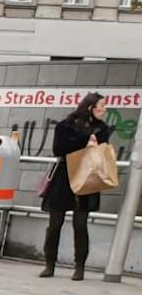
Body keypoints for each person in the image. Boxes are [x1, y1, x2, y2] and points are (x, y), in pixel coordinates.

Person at [41, 92, 112, 281]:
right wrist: (85, 142)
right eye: (102, 106)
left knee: (80, 225)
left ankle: (79, 266)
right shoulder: (66, 125)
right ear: (90, 107)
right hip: (63, 179)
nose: (104, 110)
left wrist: (93, 144)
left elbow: (102, 150)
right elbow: (59, 148)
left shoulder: (102, 128)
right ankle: (49, 264)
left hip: (87, 178)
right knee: (54, 224)